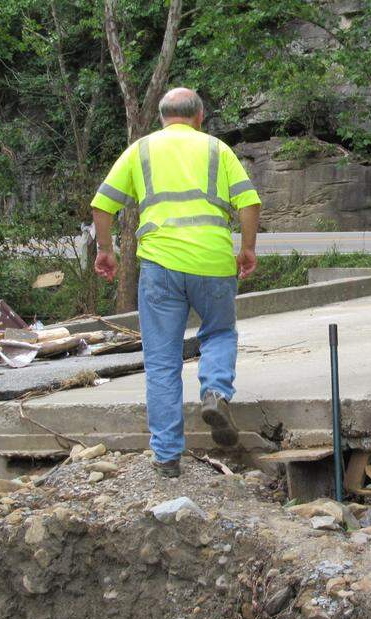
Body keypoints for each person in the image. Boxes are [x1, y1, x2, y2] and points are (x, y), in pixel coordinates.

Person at [89, 88, 262, 478]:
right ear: (200, 117)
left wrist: (106, 250)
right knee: (218, 333)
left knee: (162, 360)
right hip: (214, 262)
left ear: (163, 118)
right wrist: (247, 249)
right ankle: (215, 393)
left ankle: (167, 455)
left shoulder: (142, 150)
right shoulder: (218, 150)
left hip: (160, 267)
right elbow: (249, 202)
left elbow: (102, 204)